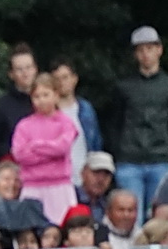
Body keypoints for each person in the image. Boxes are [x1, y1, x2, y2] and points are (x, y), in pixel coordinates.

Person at [10, 73, 80, 225]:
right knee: (30, 229)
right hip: (32, 187)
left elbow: (62, 148)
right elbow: (19, 154)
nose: (41, 100)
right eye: (37, 96)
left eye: (46, 95)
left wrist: (35, 145)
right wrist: (50, 150)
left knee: (62, 227)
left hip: (59, 186)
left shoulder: (65, 123)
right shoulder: (24, 125)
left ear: (56, 95)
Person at [0, 44, 38, 165]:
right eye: (19, 69)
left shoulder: (49, 100)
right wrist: (12, 150)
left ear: (35, 69)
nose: (25, 73)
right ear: (11, 74)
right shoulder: (1, 106)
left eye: (28, 67)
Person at [50, 57, 104, 185]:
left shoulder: (86, 109)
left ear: (74, 79)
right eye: (57, 79)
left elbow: (96, 143)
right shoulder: (48, 113)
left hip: (84, 179)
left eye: (65, 77)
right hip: (58, 179)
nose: (61, 83)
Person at [77, 151, 116, 222]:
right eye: (96, 172)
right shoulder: (70, 199)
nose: (101, 179)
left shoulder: (108, 205)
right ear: (83, 173)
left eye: (106, 174)